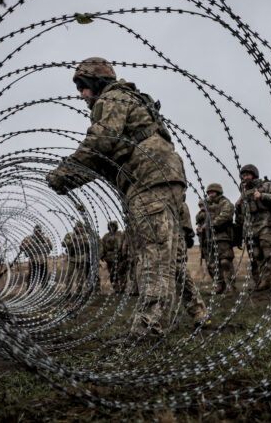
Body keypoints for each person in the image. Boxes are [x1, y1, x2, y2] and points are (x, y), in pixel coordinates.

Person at [47, 57, 186, 340]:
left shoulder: (110, 99)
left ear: (97, 84)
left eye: (84, 87)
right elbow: (105, 159)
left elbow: (99, 144)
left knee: (155, 255)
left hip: (148, 178)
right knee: (166, 251)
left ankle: (149, 328)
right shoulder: (128, 99)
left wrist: (63, 176)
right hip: (160, 175)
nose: (82, 95)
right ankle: (197, 311)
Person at [234, 164, 271, 291]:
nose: (246, 178)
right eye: (244, 176)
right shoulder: (243, 193)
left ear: (254, 175)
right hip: (251, 229)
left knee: (270, 254)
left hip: (266, 225)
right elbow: (241, 216)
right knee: (258, 256)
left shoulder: (265, 186)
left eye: (248, 175)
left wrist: (262, 196)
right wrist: (238, 206)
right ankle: (265, 281)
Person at [175, 198, 208, 326]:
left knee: (179, 274)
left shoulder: (178, 202)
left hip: (174, 241)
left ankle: (198, 311)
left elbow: (186, 230)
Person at [201, 183, 236, 294]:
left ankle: (230, 286)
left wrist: (212, 224)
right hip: (209, 239)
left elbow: (226, 216)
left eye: (212, 192)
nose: (210, 194)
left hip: (222, 237)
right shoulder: (206, 206)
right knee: (212, 264)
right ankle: (219, 285)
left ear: (218, 192)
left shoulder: (225, 203)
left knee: (225, 261)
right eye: (209, 192)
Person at [62, 221, 94, 297]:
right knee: (69, 275)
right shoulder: (70, 235)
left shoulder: (86, 236)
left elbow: (91, 245)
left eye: (81, 227)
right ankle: (67, 291)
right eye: (78, 227)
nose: (79, 229)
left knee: (80, 276)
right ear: (75, 228)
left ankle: (78, 291)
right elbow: (63, 243)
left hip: (82, 258)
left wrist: (83, 241)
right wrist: (72, 240)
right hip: (72, 258)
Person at [20, 225, 53, 290]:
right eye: (36, 231)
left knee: (44, 276)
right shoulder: (29, 238)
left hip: (43, 260)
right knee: (32, 277)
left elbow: (51, 247)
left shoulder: (45, 238)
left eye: (39, 231)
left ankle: (45, 291)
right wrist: (27, 244)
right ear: (34, 231)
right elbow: (21, 248)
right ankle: (29, 291)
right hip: (33, 261)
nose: (38, 232)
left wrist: (46, 243)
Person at [101, 221, 127, 294]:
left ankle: (123, 288)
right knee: (112, 274)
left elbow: (124, 244)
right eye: (110, 226)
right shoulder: (106, 236)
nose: (112, 227)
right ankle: (116, 288)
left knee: (121, 273)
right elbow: (102, 246)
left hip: (119, 256)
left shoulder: (120, 234)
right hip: (110, 257)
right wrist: (102, 255)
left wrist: (124, 254)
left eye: (113, 226)